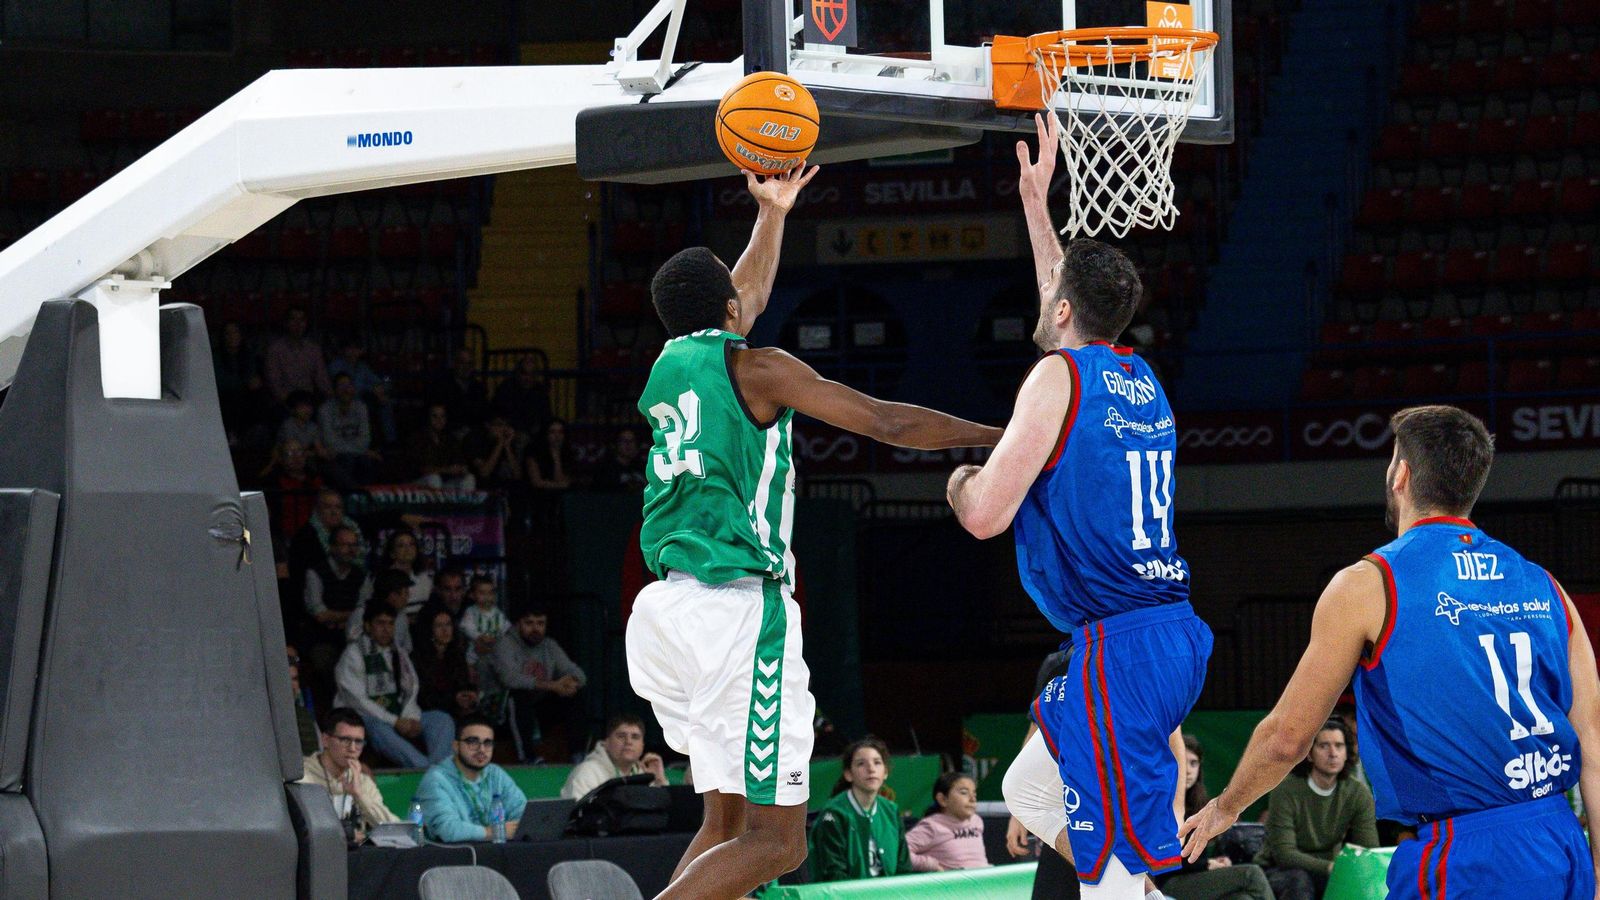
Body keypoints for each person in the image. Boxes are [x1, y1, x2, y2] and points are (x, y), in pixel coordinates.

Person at [625, 163, 1001, 900]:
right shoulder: (759, 368)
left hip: (667, 612)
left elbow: (746, 293)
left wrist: (773, 212)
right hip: (736, 611)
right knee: (779, 842)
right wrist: (1009, 432)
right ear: (732, 311)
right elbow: (887, 421)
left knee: (726, 825)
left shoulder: (671, 362)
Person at [1180, 405, 1600, 899]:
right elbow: (1593, 744)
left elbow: (1288, 739)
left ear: (1400, 474)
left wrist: (1226, 806)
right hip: (1560, 840)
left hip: (1468, 853)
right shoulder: (1547, 587)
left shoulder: (1371, 583)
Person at [946, 113, 1211, 897]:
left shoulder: (1055, 379)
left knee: (1113, 876)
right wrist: (1038, 205)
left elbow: (985, 515)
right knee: (1031, 791)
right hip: (1162, 636)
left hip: (1120, 650)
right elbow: (1065, 304)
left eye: (1054, 293)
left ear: (1064, 311)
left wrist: (960, 478)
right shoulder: (1138, 377)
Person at [1251, 718, 1377, 900]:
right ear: (1309, 754)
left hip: (1330, 869)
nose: (1333, 753)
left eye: (1339, 746)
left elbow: (1368, 850)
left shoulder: (1357, 793)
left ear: (1346, 753)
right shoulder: (1286, 790)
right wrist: (1330, 867)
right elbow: (1284, 854)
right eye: (1324, 746)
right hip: (1277, 870)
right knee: (1299, 881)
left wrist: (1348, 870)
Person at [334, 605, 455, 768]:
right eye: (380, 623)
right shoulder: (354, 653)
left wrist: (409, 717)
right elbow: (357, 701)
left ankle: (439, 769)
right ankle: (424, 769)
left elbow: (411, 687)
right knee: (377, 728)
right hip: (366, 718)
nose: (386, 629)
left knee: (442, 720)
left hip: (398, 715)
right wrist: (395, 721)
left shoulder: (398, 652)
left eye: (390, 624)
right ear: (368, 626)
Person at [1156, 736, 1272, 900]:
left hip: (1195, 878)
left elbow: (1194, 857)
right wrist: (1207, 865)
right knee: (1252, 874)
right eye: (1182, 761)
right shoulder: (1159, 802)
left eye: (1193, 763)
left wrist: (1212, 862)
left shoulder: (1201, 803)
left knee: (1242, 898)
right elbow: (1163, 857)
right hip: (1166, 884)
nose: (1187, 770)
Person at [493, 606, 587, 761]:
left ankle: (578, 755)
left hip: (539, 707)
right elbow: (510, 679)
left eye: (540, 623)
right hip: (503, 711)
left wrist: (571, 682)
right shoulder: (505, 644)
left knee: (575, 694)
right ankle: (527, 757)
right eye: (529, 623)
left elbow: (577, 673)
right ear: (518, 624)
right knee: (517, 696)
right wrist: (553, 686)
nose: (535, 628)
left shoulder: (549, 645)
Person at [809, 738, 910, 882]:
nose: (871, 769)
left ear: (885, 772)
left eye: (877, 762)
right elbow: (833, 874)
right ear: (848, 774)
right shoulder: (833, 814)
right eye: (861, 764)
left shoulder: (891, 810)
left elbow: (904, 867)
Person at [415, 716, 527, 843]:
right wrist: (495, 832)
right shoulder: (436, 779)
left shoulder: (495, 774)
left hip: (492, 852)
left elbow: (524, 814)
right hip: (452, 857)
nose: (482, 749)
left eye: (488, 743)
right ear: (456, 746)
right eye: (473, 742)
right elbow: (447, 830)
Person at [300, 708, 400, 832]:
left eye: (358, 741)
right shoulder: (302, 776)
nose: (352, 748)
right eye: (345, 740)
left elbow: (394, 829)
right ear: (325, 740)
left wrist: (359, 794)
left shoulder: (362, 781)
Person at [562, 714, 669, 799]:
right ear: (606, 742)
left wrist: (659, 781)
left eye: (635, 737)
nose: (628, 742)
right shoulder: (587, 772)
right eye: (621, 736)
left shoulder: (643, 774)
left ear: (642, 746)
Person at [906, 772, 990, 873]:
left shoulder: (977, 821)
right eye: (964, 793)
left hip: (984, 881)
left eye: (974, 794)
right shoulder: (931, 826)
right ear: (943, 799)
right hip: (954, 886)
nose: (972, 799)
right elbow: (900, 853)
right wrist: (930, 865)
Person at [411, 607, 479, 720]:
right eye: (439, 625)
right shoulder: (418, 658)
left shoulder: (457, 655)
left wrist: (470, 694)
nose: (445, 630)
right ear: (429, 630)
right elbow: (423, 696)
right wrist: (454, 698)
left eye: (448, 624)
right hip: (429, 713)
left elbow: (463, 684)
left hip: (456, 710)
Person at [318, 372, 381, 487]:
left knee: (367, 462)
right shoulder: (325, 410)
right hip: (336, 457)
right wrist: (361, 450)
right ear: (334, 390)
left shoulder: (361, 407)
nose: (346, 390)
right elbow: (329, 442)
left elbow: (365, 439)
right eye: (342, 386)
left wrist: (361, 450)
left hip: (356, 454)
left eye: (349, 386)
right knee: (348, 460)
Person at [264, 306, 331, 405]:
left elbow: (322, 379)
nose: (298, 324)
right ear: (286, 323)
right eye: (293, 319)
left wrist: (332, 397)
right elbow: (274, 383)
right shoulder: (275, 350)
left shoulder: (314, 349)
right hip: (284, 402)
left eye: (302, 320)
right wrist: (290, 403)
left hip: (309, 401)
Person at [361, 527, 434, 619]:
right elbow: (364, 608)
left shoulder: (424, 578)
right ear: (392, 553)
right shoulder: (376, 577)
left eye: (411, 544)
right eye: (401, 545)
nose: (408, 549)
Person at [345, 569, 416, 653]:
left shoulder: (401, 616)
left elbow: (407, 647)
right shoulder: (360, 614)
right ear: (393, 595)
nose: (407, 597)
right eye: (406, 593)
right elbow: (353, 645)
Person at [409, 403, 476, 491]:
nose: (439, 420)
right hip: (419, 483)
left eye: (442, 416)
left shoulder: (450, 439)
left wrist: (461, 469)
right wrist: (446, 470)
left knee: (469, 478)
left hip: (444, 484)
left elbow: (459, 462)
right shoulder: (418, 438)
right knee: (434, 479)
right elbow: (421, 469)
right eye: (435, 416)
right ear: (428, 418)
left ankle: (463, 505)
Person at [590, 425, 648, 492]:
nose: (628, 444)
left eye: (632, 441)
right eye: (623, 440)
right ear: (615, 444)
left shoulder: (644, 467)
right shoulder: (605, 470)